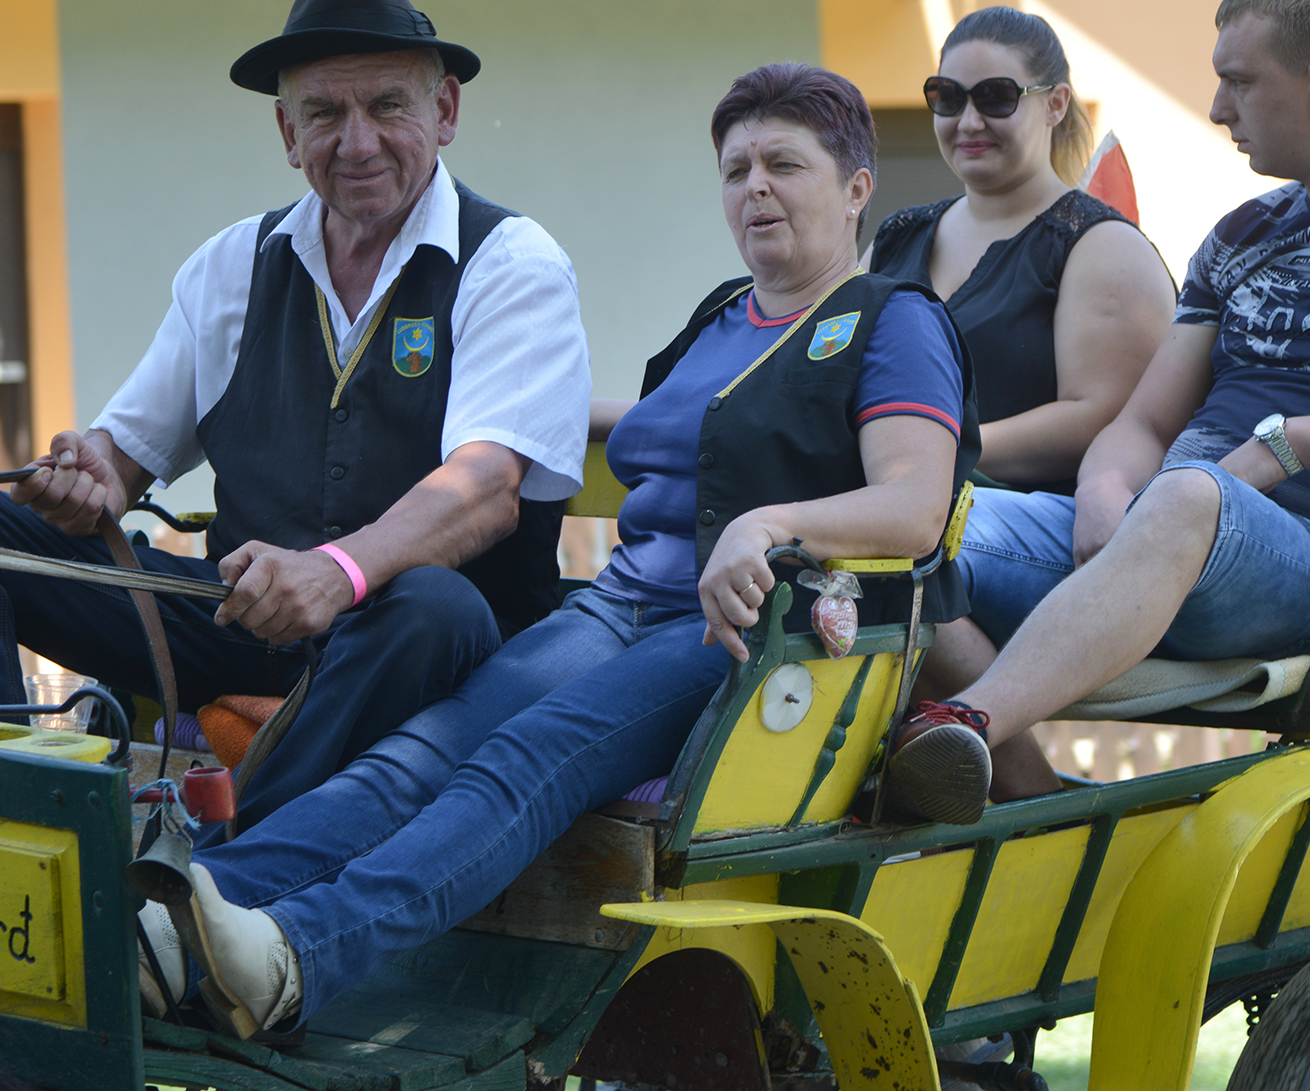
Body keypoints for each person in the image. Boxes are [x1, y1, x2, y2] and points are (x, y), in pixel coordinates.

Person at [134, 62, 979, 1040]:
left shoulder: (892, 320)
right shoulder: (719, 319)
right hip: (617, 604)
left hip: (749, 631)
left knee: (521, 757)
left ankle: (294, 956)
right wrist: (500, 415)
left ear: (856, 189)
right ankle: (179, 913)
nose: (753, 186)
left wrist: (769, 525)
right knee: (421, 753)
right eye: (735, 166)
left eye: (783, 164)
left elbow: (914, 506)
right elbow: (658, 429)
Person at [0, 0, 590, 828]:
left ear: (444, 114)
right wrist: (85, 474)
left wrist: (337, 572)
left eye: (387, 106)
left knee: (429, 602)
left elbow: (485, 489)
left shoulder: (511, 263)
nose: (356, 142)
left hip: (434, 650)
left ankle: (227, 875)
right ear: (288, 132)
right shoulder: (232, 267)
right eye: (324, 113)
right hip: (244, 627)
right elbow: (123, 459)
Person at [885, 0, 1310, 825]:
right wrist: (1102, 488)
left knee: (1192, 496)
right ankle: (1016, 794)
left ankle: (963, 723)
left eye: (1237, 81)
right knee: (907, 523)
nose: (1217, 108)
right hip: (1157, 534)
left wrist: (1288, 443)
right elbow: (1145, 420)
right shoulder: (1243, 234)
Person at [866, 6, 1175, 801]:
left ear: (1054, 104)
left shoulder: (1096, 242)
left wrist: (938, 451)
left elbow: (1103, 416)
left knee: (879, 551)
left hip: (1041, 531)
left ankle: (1034, 797)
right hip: (916, 497)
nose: (967, 119)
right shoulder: (898, 237)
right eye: (946, 96)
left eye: (996, 97)